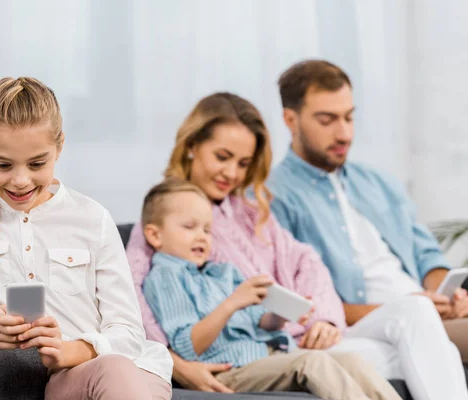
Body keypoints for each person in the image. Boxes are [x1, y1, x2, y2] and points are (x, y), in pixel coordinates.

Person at [126, 91, 468, 400]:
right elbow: (132, 310)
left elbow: (310, 266)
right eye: (222, 156)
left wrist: (324, 321)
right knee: (424, 354)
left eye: (243, 164)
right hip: (269, 352)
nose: (231, 173)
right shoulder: (163, 219)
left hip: (305, 336)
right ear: (192, 146)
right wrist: (175, 365)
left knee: (416, 315)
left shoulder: (252, 213)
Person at [0, 77, 172, 400]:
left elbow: (128, 333)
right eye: (2, 164)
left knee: (117, 370)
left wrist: (68, 351)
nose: (20, 180)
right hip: (69, 383)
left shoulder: (92, 218)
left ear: (60, 146)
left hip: (132, 369)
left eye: (37, 163)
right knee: (112, 374)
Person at [268, 58, 468, 360]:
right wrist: (408, 308)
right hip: (368, 324)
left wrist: (449, 296)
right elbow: (299, 303)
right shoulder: (272, 197)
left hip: (425, 313)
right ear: (290, 120)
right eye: (327, 120)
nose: (344, 134)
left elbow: (427, 257)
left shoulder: (378, 182)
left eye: (349, 118)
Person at [140, 179, 400, 399]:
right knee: (312, 362)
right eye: (189, 227)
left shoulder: (221, 273)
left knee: (352, 361)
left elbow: (259, 321)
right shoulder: (165, 277)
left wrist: (282, 314)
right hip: (229, 370)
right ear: (154, 235)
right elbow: (187, 347)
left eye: (207, 230)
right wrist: (232, 303)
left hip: (266, 354)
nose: (201, 236)